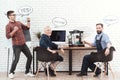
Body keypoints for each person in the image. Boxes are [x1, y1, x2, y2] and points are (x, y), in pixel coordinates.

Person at [6, 10, 34, 79]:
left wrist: (28, 21)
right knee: (16, 59)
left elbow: (27, 28)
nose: (15, 16)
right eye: (13, 15)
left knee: (30, 57)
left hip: (23, 44)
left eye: (15, 14)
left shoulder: (18, 23)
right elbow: (8, 36)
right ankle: (11, 72)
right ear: (9, 16)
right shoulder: (8, 25)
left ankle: (27, 72)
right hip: (16, 45)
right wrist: (14, 30)